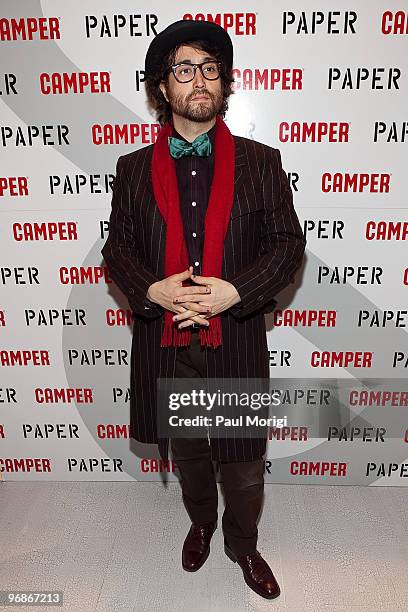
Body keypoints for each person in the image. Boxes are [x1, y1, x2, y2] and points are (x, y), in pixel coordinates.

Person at [101, 18, 306, 600]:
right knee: (190, 450)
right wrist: (154, 290)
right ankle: (200, 522)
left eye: (209, 68)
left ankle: (243, 544)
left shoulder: (261, 162)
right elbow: (118, 248)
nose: (198, 80)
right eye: (184, 69)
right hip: (168, 343)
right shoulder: (133, 170)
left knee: (241, 464)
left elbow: (288, 243)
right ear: (162, 87)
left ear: (225, 83)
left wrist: (235, 292)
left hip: (233, 336)